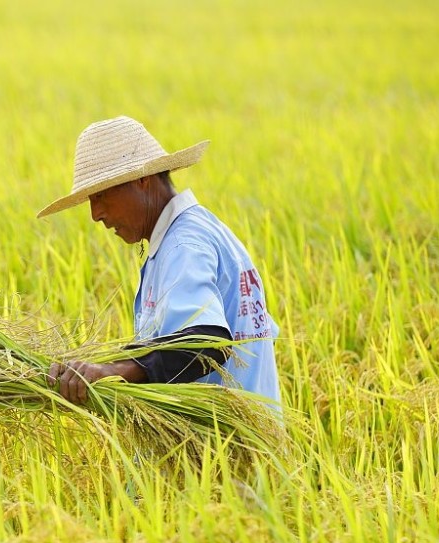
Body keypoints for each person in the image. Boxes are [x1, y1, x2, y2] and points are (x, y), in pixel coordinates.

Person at [38, 116, 281, 413]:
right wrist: (108, 369)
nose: (95, 213)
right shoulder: (197, 232)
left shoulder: (183, 245)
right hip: (242, 441)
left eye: (101, 195)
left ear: (143, 180)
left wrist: (113, 372)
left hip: (222, 444)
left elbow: (206, 342)